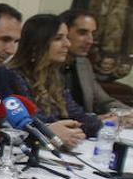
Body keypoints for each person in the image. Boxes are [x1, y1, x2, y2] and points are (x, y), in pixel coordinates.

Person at [6, 13, 100, 148]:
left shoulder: (55, 78)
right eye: (58, 38)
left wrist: (108, 123)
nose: (67, 44)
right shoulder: (13, 77)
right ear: (38, 43)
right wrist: (52, 132)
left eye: (67, 37)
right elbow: (26, 127)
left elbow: (78, 115)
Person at [59, 8, 121, 116]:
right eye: (82, 33)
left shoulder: (83, 63)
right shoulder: (45, 68)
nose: (90, 41)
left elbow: (106, 102)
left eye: (92, 34)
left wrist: (127, 113)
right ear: (64, 32)